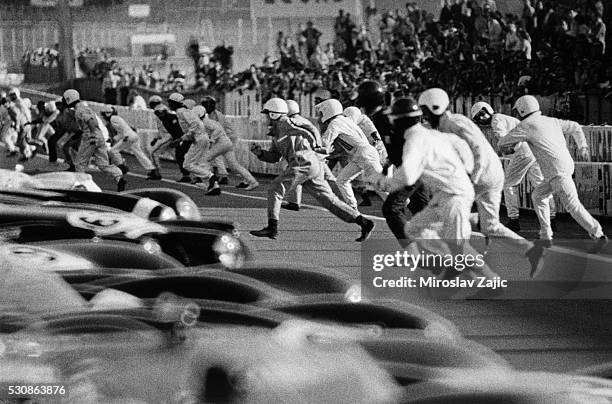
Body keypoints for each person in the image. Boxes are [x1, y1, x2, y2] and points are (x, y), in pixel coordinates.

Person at [373, 98, 499, 284]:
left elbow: (408, 176)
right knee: (415, 228)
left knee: (458, 246)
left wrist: (383, 183)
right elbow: (461, 145)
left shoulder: (414, 140)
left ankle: (490, 279)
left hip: (454, 195)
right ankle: (469, 227)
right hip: (446, 193)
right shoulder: (427, 134)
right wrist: (466, 168)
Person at [418, 88, 543, 272]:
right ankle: (529, 249)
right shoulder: (447, 126)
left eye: (425, 112)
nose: (425, 117)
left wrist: (470, 180)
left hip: (484, 174)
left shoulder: (457, 123)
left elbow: (478, 150)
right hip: (490, 173)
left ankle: (459, 262)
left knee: (450, 216)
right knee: (490, 226)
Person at [499, 95, 607, 266]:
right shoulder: (551, 121)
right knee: (538, 196)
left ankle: (598, 235)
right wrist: (583, 146)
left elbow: (502, 142)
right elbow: (575, 127)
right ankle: (545, 235)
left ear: (521, 111)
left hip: (557, 173)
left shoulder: (526, 126)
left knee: (573, 206)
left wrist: (510, 146)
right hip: (561, 169)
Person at [250, 98, 375, 241]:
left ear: (274, 114)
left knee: (275, 188)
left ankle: (272, 228)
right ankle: (363, 222)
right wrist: (260, 153)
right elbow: (275, 157)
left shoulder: (285, 122)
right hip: (309, 165)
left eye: (267, 114)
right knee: (329, 200)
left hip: (303, 162)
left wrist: (317, 144)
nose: (265, 118)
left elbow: (310, 129)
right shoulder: (276, 134)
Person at [355, 80, 429, 247]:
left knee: (392, 209)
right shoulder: (383, 116)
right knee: (422, 209)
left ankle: (412, 250)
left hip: (412, 167)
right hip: (415, 165)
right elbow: (395, 146)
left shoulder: (385, 117)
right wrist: (388, 166)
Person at [470, 101, 557, 233]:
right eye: (478, 118)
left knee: (508, 185)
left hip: (522, 151)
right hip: (533, 149)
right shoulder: (506, 118)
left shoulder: (496, 120)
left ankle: (513, 219)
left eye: (481, 115)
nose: (481, 119)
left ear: (487, 110)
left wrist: (505, 149)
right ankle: (552, 218)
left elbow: (502, 139)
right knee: (540, 185)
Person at [317, 99, 385, 212]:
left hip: (364, 154)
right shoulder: (342, 120)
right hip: (360, 155)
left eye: (321, 113)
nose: (320, 116)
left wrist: (315, 147)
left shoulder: (336, 122)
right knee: (342, 180)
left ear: (328, 111)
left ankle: (399, 202)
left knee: (379, 183)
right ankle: (353, 208)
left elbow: (325, 142)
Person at [65, 89, 126, 191]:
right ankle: (119, 177)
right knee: (103, 164)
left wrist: (92, 134)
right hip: (99, 136)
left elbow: (91, 121)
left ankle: (82, 186)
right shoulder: (85, 107)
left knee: (80, 163)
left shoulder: (80, 110)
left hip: (90, 136)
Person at [282, 99, 336, 211]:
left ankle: (295, 202)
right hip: (317, 153)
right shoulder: (302, 120)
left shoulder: (291, 122)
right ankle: (342, 200)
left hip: (309, 155)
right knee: (328, 179)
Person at [192, 105, 259, 191]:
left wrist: (211, 140)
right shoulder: (208, 121)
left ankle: (208, 183)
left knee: (204, 160)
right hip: (226, 143)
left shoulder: (206, 122)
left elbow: (217, 130)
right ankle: (252, 181)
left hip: (222, 144)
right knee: (234, 165)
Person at [168, 93, 221, 195]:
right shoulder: (184, 111)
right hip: (202, 137)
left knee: (187, 164)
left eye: (170, 103)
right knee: (200, 163)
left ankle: (210, 176)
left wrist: (183, 138)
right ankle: (213, 186)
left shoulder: (181, 111)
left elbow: (194, 124)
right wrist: (183, 138)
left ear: (174, 103)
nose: (169, 105)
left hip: (199, 138)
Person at [100, 106, 160, 180]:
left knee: (113, 151)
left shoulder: (113, 119)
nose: (103, 117)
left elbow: (122, 131)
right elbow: (120, 132)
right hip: (133, 136)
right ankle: (153, 170)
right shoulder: (116, 118)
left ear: (107, 113)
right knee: (140, 154)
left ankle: (122, 167)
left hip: (128, 137)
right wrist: (114, 139)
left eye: (104, 114)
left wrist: (122, 138)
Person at [149, 95, 192, 182]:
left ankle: (156, 172)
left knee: (154, 152)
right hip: (177, 136)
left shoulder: (171, 113)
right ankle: (187, 174)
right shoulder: (168, 115)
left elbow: (172, 126)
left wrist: (178, 138)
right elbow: (162, 128)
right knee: (178, 156)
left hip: (172, 136)